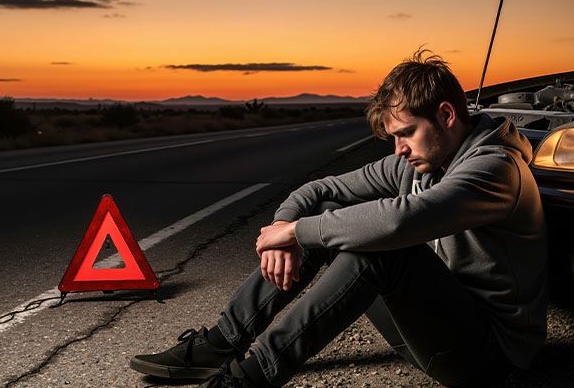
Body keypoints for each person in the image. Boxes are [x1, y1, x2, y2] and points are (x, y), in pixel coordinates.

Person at [129, 50, 548, 388]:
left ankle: (250, 377)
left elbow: (401, 222)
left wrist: (298, 233)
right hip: (425, 332)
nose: (398, 150)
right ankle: (222, 343)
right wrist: (286, 230)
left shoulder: (495, 169)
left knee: (382, 250)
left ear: (446, 115)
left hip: (485, 356)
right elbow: (318, 190)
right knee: (325, 217)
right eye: (393, 138)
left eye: (406, 133)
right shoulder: (416, 163)